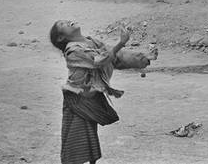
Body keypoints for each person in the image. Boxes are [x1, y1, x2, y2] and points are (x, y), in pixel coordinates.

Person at [50, 20, 156, 164]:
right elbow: (99, 60)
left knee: (89, 137)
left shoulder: (90, 41)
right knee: (74, 142)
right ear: (61, 38)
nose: (69, 22)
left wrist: (142, 57)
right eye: (64, 24)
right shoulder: (72, 51)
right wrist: (121, 42)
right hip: (76, 99)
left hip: (90, 97)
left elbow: (115, 57)